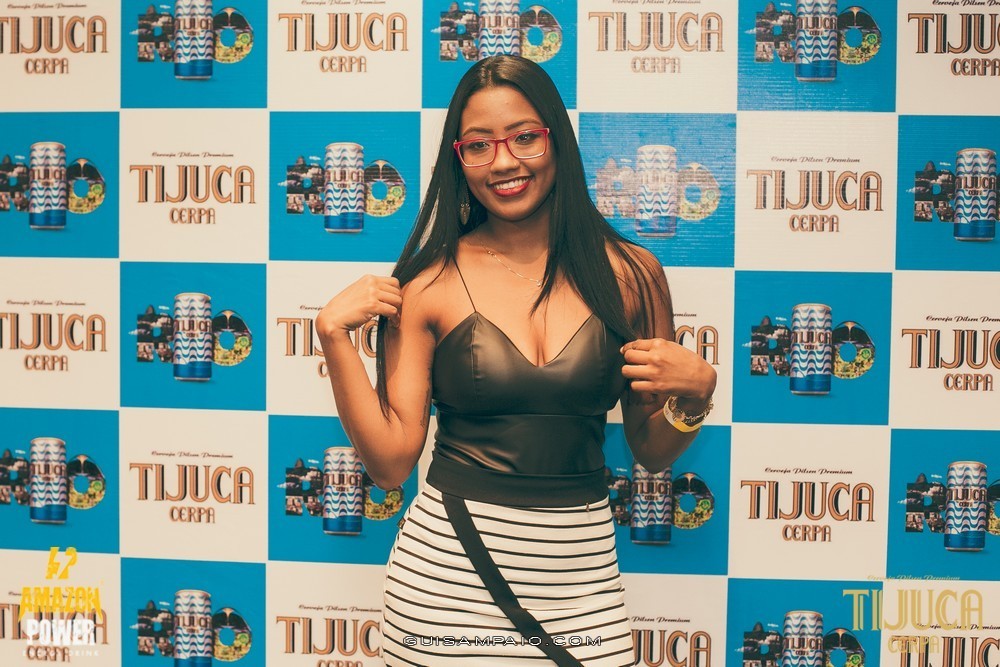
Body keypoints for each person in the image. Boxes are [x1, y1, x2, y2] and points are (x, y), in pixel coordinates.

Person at [316, 55, 717, 666]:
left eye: (525, 137)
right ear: (458, 159)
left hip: (584, 583)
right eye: (479, 145)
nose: (503, 162)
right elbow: (391, 464)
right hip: (447, 584)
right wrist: (332, 335)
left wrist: (695, 397)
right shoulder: (430, 283)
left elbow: (652, 451)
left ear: (557, 139)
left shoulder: (632, 276)